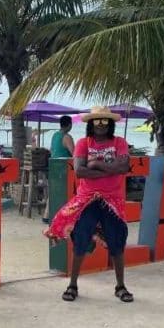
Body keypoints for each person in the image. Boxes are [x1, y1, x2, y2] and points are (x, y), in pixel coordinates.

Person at [45, 106, 134, 304]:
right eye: (96, 121)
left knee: (117, 243)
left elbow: (124, 167)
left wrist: (96, 165)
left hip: (113, 200)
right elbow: (79, 171)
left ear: (110, 123)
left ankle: (120, 286)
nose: (100, 125)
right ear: (90, 124)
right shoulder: (83, 143)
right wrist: (111, 171)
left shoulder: (120, 142)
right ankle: (73, 284)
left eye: (104, 121)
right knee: (80, 241)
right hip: (88, 199)